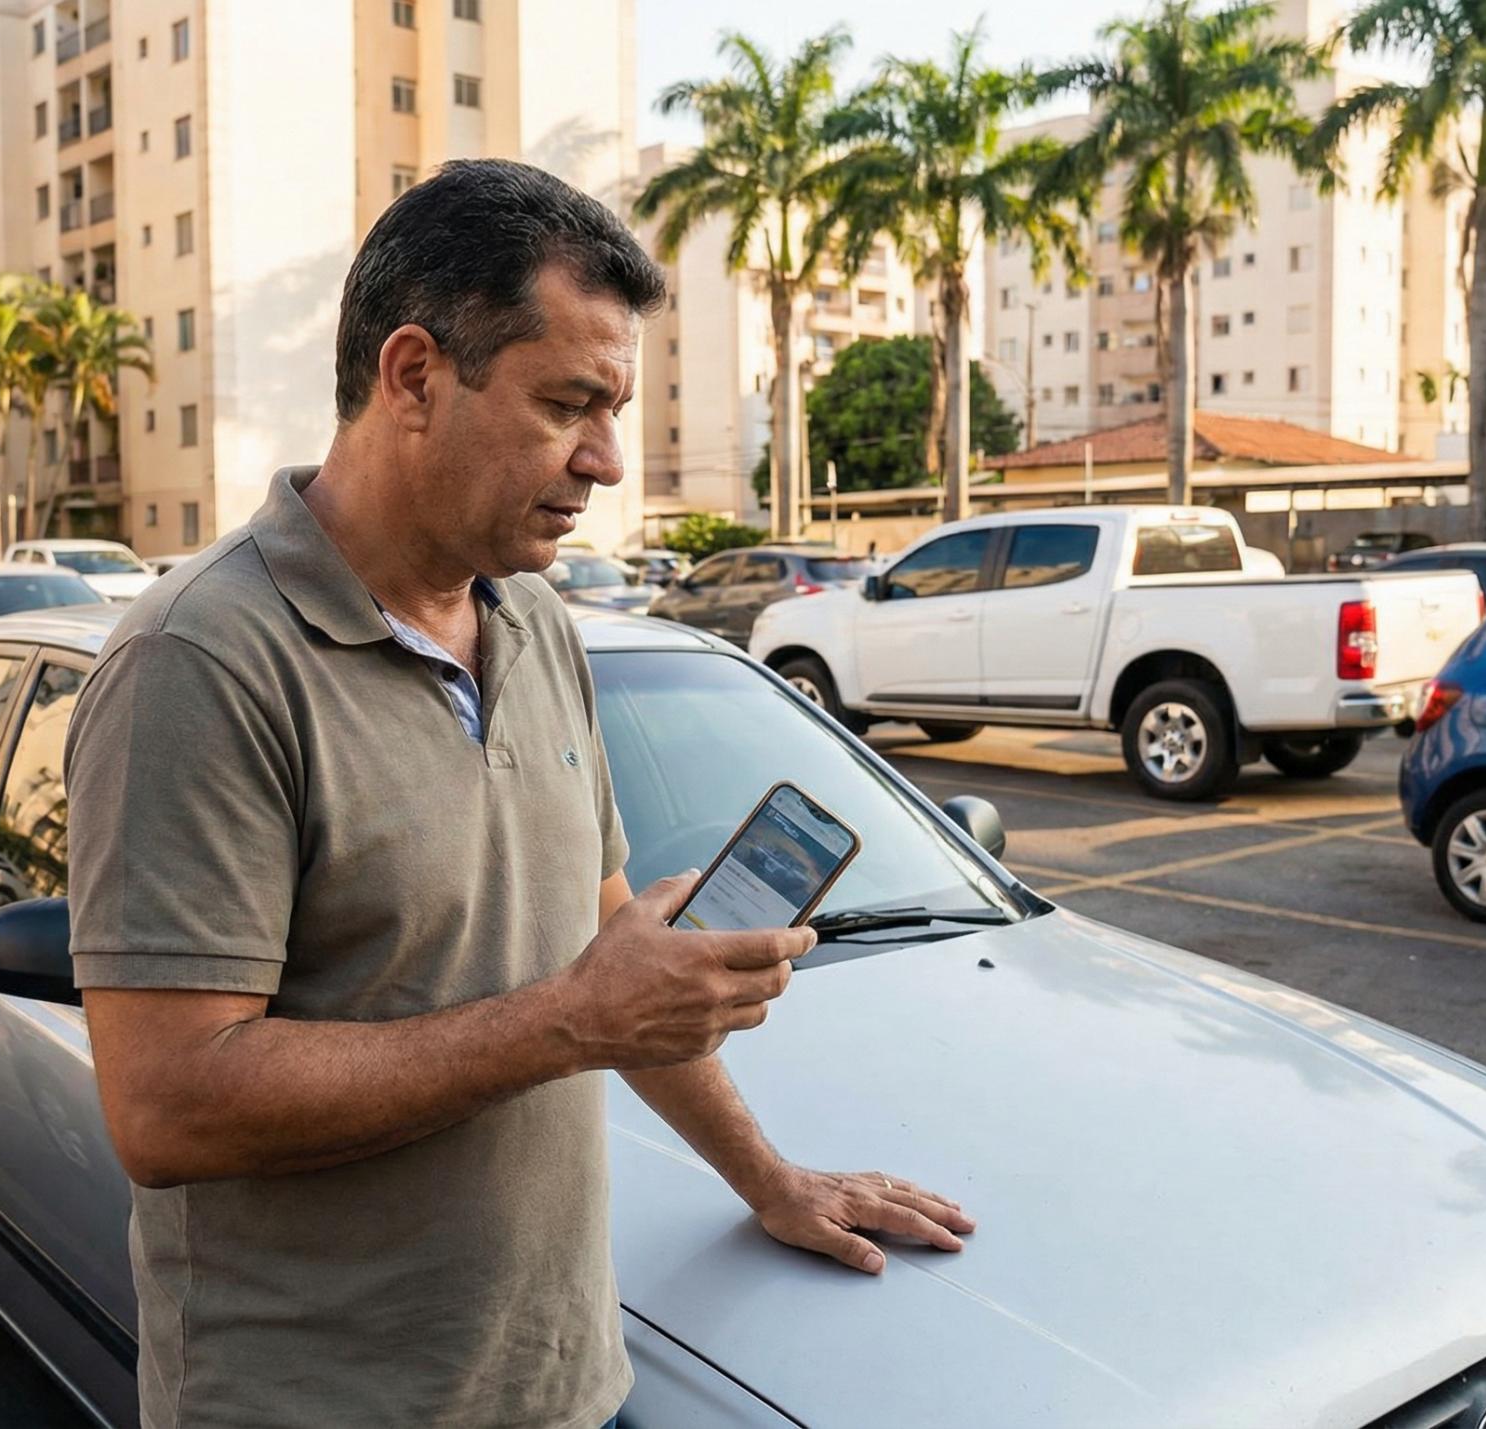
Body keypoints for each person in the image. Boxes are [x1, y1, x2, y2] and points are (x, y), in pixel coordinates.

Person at [65, 159, 974, 1429]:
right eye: (567, 404)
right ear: (414, 378)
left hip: (562, 1387)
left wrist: (767, 1178)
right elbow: (166, 1105)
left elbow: (605, 962)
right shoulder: (198, 663)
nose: (604, 460)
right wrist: (567, 1023)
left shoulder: (536, 624)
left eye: (616, 409)